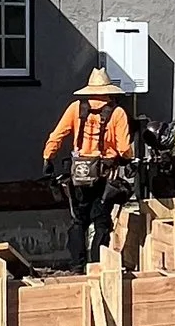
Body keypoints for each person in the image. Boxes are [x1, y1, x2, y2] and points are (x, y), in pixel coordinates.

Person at [44, 65, 137, 264]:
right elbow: (123, 148)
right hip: (105, 175)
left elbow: (57, 135)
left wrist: (48, 158)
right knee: (101, 222)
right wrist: (130, 160)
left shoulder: (76, 108)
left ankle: (77, 265)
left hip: (79, 173)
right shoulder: (118, 112)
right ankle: (98, 265)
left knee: (79, 221)